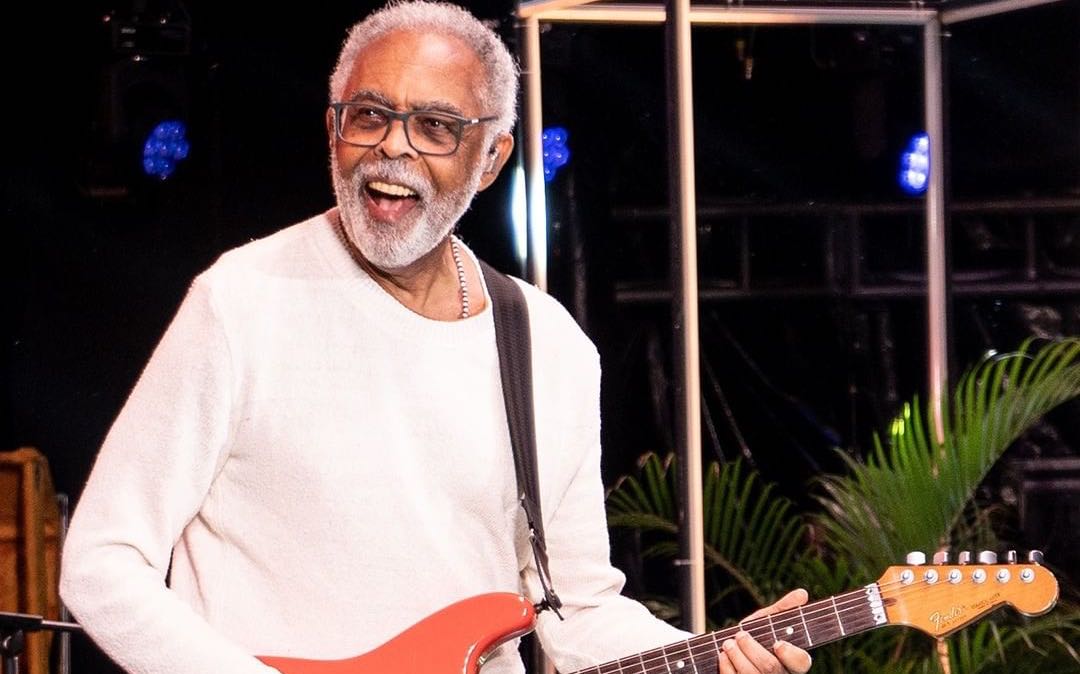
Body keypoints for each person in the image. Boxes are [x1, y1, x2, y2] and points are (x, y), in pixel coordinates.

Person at [59, 2, 813, 674]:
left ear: (491, 160)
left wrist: (714, 659)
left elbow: (576, 609)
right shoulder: (241, 300)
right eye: (369, 115)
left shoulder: (548, 347)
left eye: (435, 127)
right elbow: (102, 562)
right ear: (332, 129)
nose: (393, 147)